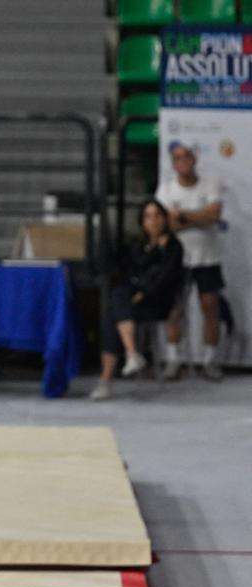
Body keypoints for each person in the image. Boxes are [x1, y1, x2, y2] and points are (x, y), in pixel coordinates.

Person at [90, 199, 183, 400]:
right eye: (148, 216)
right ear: (142, 221)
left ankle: (108, 378)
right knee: (114, 309)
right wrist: (151, 252)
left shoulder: (173, 246)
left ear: (165, 218)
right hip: (133, 302)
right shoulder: (138, 245)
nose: (154, 221)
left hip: (157, 303)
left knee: (115, 310)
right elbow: (129, 272)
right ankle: (130, 355)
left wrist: (143, 292)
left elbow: (165, 278)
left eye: (158, 215)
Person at [154, 141, 225, 380]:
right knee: (175, 309)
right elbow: (164, 224)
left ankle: (209, 360)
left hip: (208, 259)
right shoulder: (166, 190)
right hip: (178, 261)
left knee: (210, 307)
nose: (182, 161)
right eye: (177, 158)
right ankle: (174, 359)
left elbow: (214, 215)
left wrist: (182, 216)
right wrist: (200, 217)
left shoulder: (210, 184)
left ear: (194, 159)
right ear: (173, 163)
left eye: (186, 156)